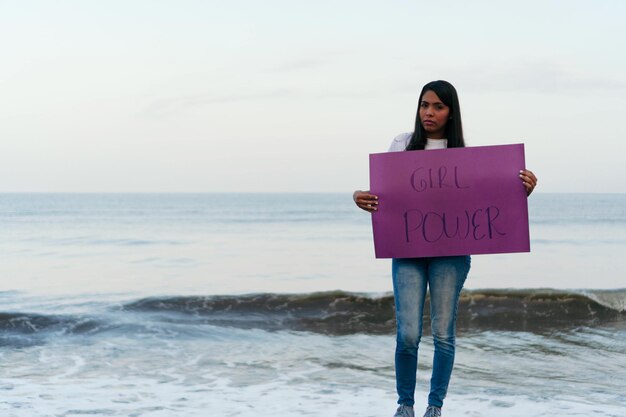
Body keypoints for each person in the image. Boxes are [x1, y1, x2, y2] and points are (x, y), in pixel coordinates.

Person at [353, 80, 537, 417]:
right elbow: (385, 193)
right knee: (407, 333)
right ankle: (404, 406)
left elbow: (491, 201)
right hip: (407, 251)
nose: (429, 112)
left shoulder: (466, 157)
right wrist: (360, 197)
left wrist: (523, 188)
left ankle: (434, 408)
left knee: (442, 333)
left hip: (451, 254)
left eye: (438, 106)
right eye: (424, 105)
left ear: (450, 112)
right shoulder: (403, 143)